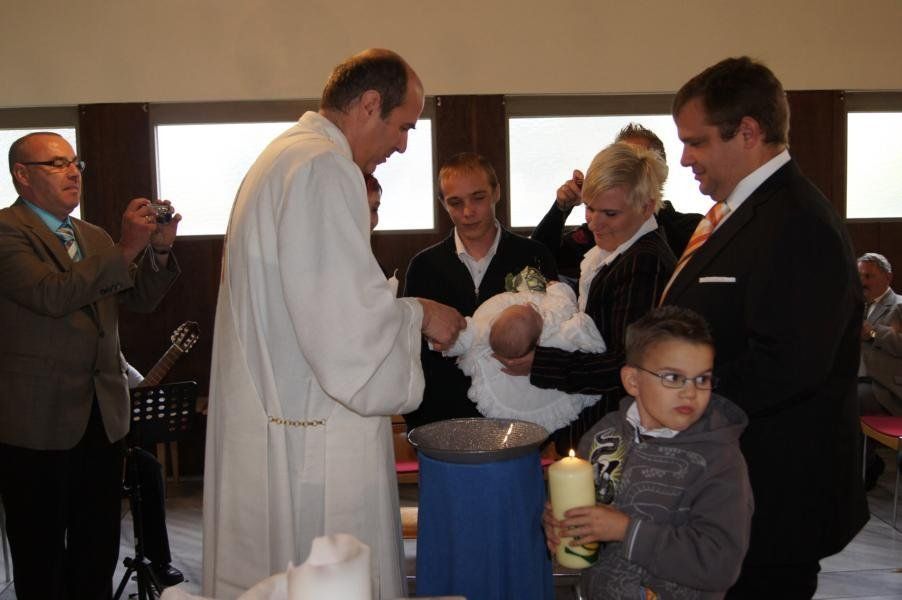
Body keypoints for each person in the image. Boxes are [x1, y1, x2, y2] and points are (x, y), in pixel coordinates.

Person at [202, 49, 466, 600]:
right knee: (325, 576)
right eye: (404, 126)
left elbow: (320, 300)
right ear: (369, 104)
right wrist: (420, 313)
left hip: (279, 418)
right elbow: (347, 334)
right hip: (314, 436)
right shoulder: (324, 167)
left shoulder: (281, 157)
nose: (403, 146)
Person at [661, 56, 868, 598]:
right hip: (735, 481)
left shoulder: (798, 221)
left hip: (775, 492)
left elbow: (790, 365)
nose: (684, 159)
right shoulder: (740, 212)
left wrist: (676, 397)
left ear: (748, 132)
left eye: (696, 142)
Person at [0, 132, 181, 600]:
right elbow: (51, 294)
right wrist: (126, 249)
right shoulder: (7, 231)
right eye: (57, 163)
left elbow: (139, 299)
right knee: (40, 550)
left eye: (75, 162)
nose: (73, 172)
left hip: (103, 416)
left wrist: (158, 249)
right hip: (37, 420)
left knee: (97, 545)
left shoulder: (93, 236)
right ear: (22, 175)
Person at [543, 306, 753, 600]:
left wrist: (626, 531)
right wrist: (559, 522)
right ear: (633, 381)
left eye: (702, 379)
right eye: (673, 377)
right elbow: (584, 508)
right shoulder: (604, 435)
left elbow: (719, 563)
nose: (690, 392)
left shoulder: (719, 459)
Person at [498, 142, 676, 455]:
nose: (594, 222)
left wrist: (541, 363)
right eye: (590, 208)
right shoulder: (615, 250)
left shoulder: (644, 262)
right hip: (601, 422)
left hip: (620, 431)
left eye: (610, 213)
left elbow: (629, 364)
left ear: (647, 207)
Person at [402, 152, 558, 431]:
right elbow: (410, 351)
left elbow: (557, 327)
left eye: (478, 198)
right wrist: (420, 419)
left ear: (496, 192)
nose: (468, 212)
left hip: (518, 420)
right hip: (442, 422)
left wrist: (542, 361)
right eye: (455, 202)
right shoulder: (423, 266)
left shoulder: (533, 256)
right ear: (443, 203)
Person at [532, 123, 700, 284]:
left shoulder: (692, 229)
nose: (626, 170)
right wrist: (561, 209)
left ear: (661, 171)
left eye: (639, 162)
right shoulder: (597, 229)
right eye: (619, 161)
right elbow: (537, 258)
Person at [444, 274, 606, 432]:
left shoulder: (484, 337)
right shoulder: (552, 326)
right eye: (532, 312)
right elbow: (564, 304)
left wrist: (445, 340)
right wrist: (557, 287)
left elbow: (464, 337)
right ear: (538, 341)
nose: (527, 304)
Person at [857, 252, 902, 488]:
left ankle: (861, 472)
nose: (862, 282)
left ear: (888, 277)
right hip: (856, 380)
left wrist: (874, 333)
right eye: (859, 276)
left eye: (869, 276)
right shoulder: (856, 305)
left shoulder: (899, 305)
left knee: (850, 401)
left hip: (885, 386)